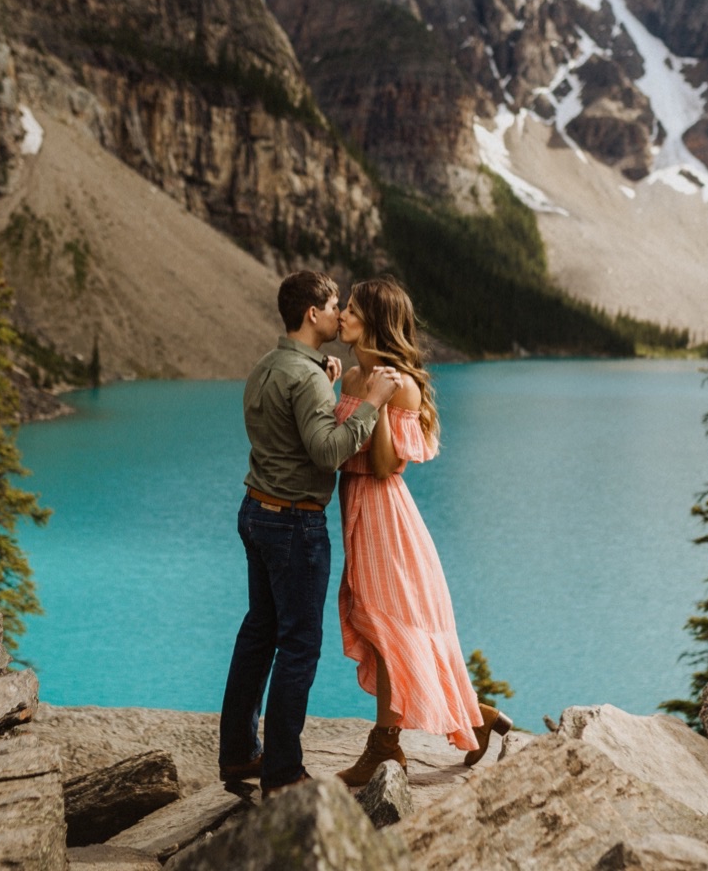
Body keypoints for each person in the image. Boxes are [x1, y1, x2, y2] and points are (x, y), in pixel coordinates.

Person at [218, 270, 403, 796]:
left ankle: (238, 755)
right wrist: (372, 403)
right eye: (332, 304)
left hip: (255, 511)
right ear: (311, 314)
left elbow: (284, 425)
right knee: (299, 646)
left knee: (259, 633)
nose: (338, 311)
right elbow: (327, 450)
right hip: (294, 523)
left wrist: (324, 381)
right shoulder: (307, 377)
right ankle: (282, 773)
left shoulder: (269, 366)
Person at [331, 276, 512, 786]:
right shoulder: (347, 377)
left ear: (374, 320)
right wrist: (339, 387)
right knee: (379, 624)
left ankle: (385, 750)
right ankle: (479, 719)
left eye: (350, 309)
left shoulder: (401, 383)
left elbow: (387, 466)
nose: (342, 316)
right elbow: (335, 443)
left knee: (389, 630)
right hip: (358, 513)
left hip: (386, 516)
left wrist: (382, 401)